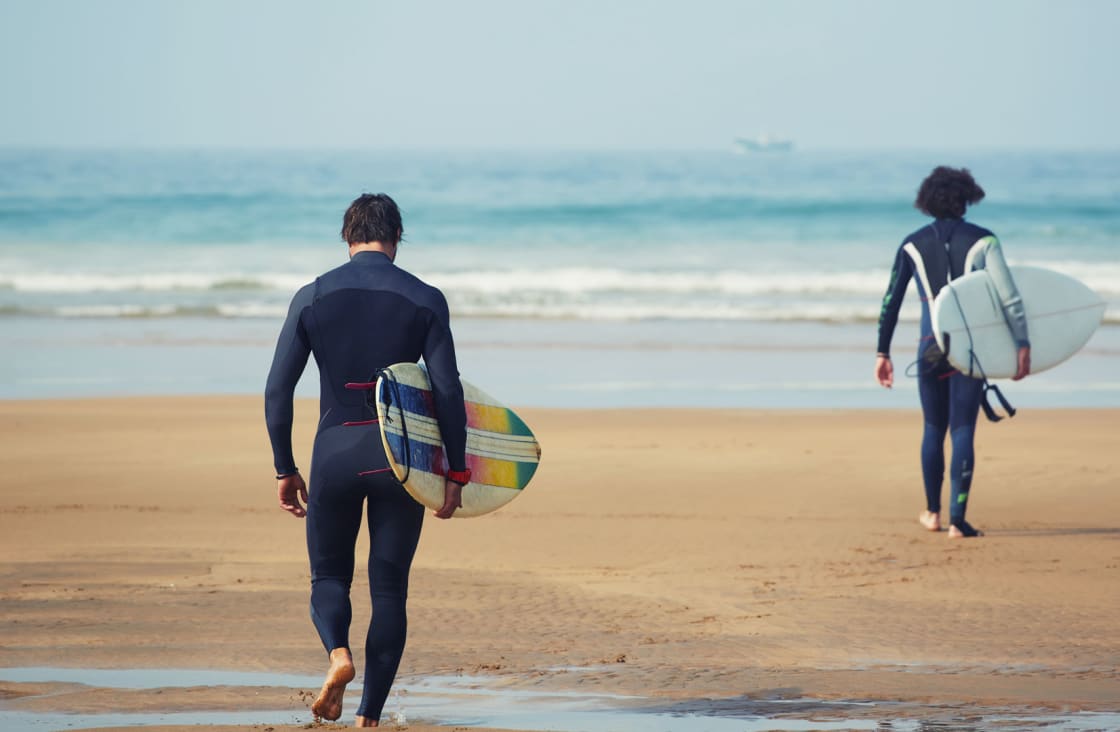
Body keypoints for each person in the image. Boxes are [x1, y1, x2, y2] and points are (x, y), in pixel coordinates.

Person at [264, 193, 471, 726]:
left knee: (328, 578)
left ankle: (338, 654)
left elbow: (276, 391)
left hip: (333, 453)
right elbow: (447, 390)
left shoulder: (312, 296)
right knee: (389, 589)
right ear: (397, 239)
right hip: (399, 462)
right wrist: (454, 471)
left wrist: (285, 468)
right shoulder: (425, 298)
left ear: (347, 237)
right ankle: (369, 719)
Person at [875, 166, 1031, 539]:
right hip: (968, 348)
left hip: (929, 348)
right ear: (967, 197)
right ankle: (958, 521)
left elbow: (890, 302)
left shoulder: (911, 244)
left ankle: (932, 513)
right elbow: (1009, 298)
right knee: (962, 429)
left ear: (926, 200)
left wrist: (883, 352)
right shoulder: (984, 241)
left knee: (933, 427)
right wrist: (1022, 343)